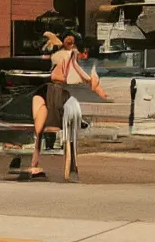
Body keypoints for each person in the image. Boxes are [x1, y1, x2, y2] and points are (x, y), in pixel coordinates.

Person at [27, 31, 109, 180]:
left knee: (46, 127)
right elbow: (62, 74)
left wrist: (90, 82)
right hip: (50, 91)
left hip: (55, 91)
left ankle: (43, 162)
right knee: (41, 129)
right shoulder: (62, 56)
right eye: (69, 43)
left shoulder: (68, 56)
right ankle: (35, 163)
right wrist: (89, 82)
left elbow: (76, 70)